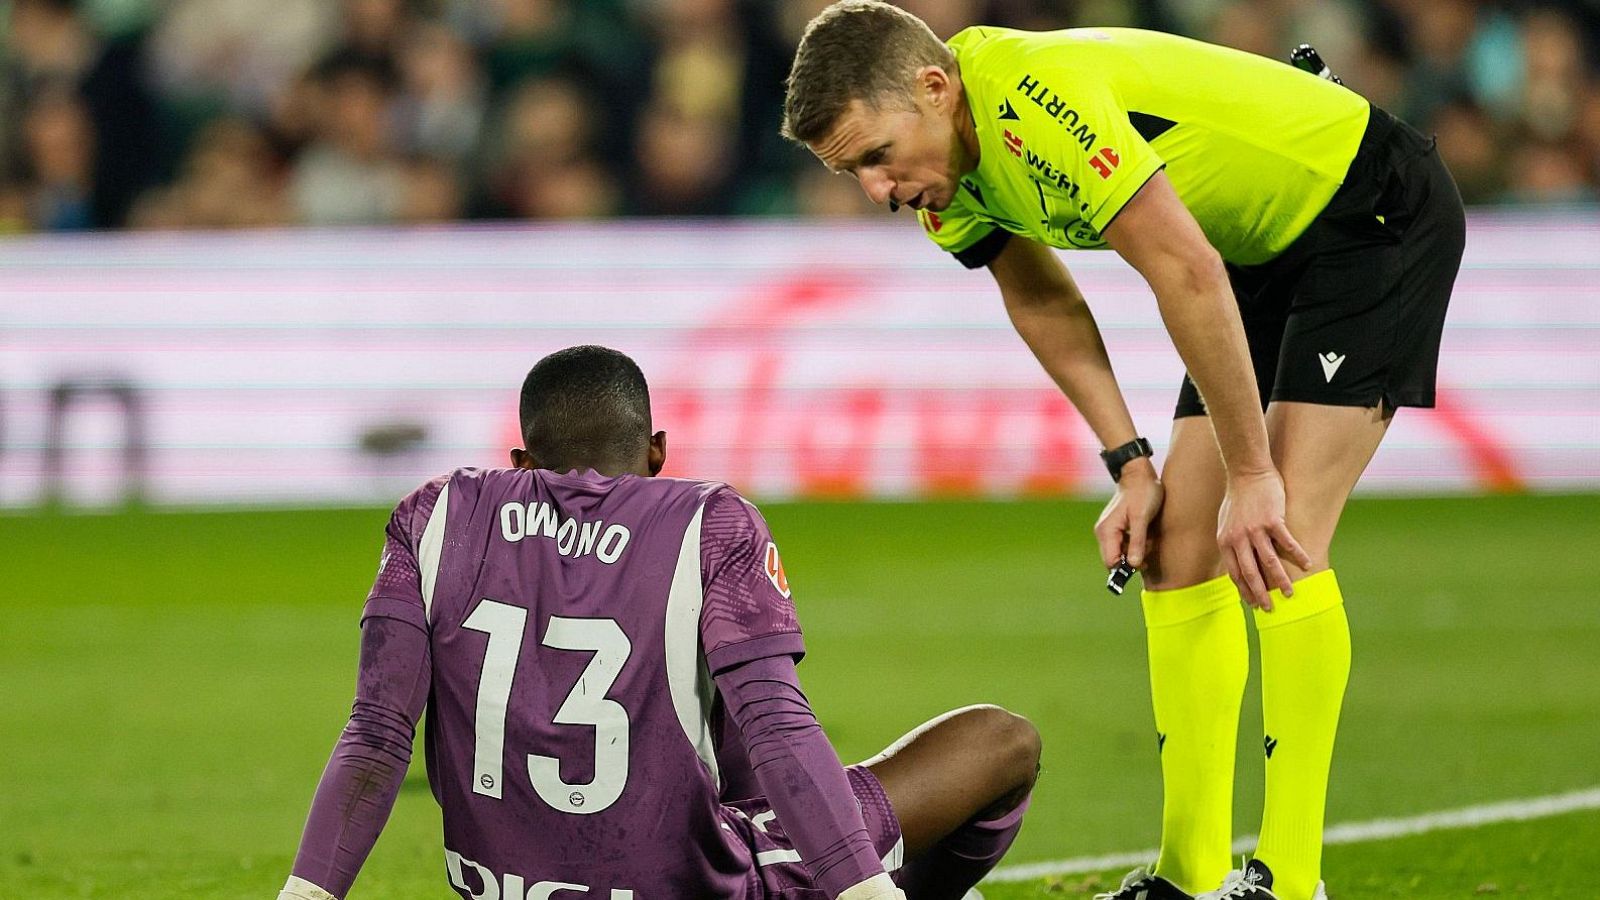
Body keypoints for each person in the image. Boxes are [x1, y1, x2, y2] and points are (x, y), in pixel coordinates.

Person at [781, 5, 1465, 900]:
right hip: (1259, 250)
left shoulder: (1035, 101)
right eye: (851, 172)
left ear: (934, 87)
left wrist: (1253, 474)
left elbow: (1183, 268)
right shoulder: (945, 166)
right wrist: (1132, 464)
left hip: (1369, 214)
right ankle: (1188, 878)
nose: (876, 189)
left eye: (874, 156)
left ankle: (1293, 882)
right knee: (1178, 548)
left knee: (1279, 532)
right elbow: (1042, 299)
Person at [276, 345, 1039, 900]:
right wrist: (865, 893)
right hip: (691, 887)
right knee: (1002, 742)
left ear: (521, 457)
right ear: (657, 451)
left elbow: (375, 735)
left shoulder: (433, 515)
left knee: (714, 720)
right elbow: (777, 724)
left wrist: (305, 895)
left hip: (503, 887)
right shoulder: (710, 521)